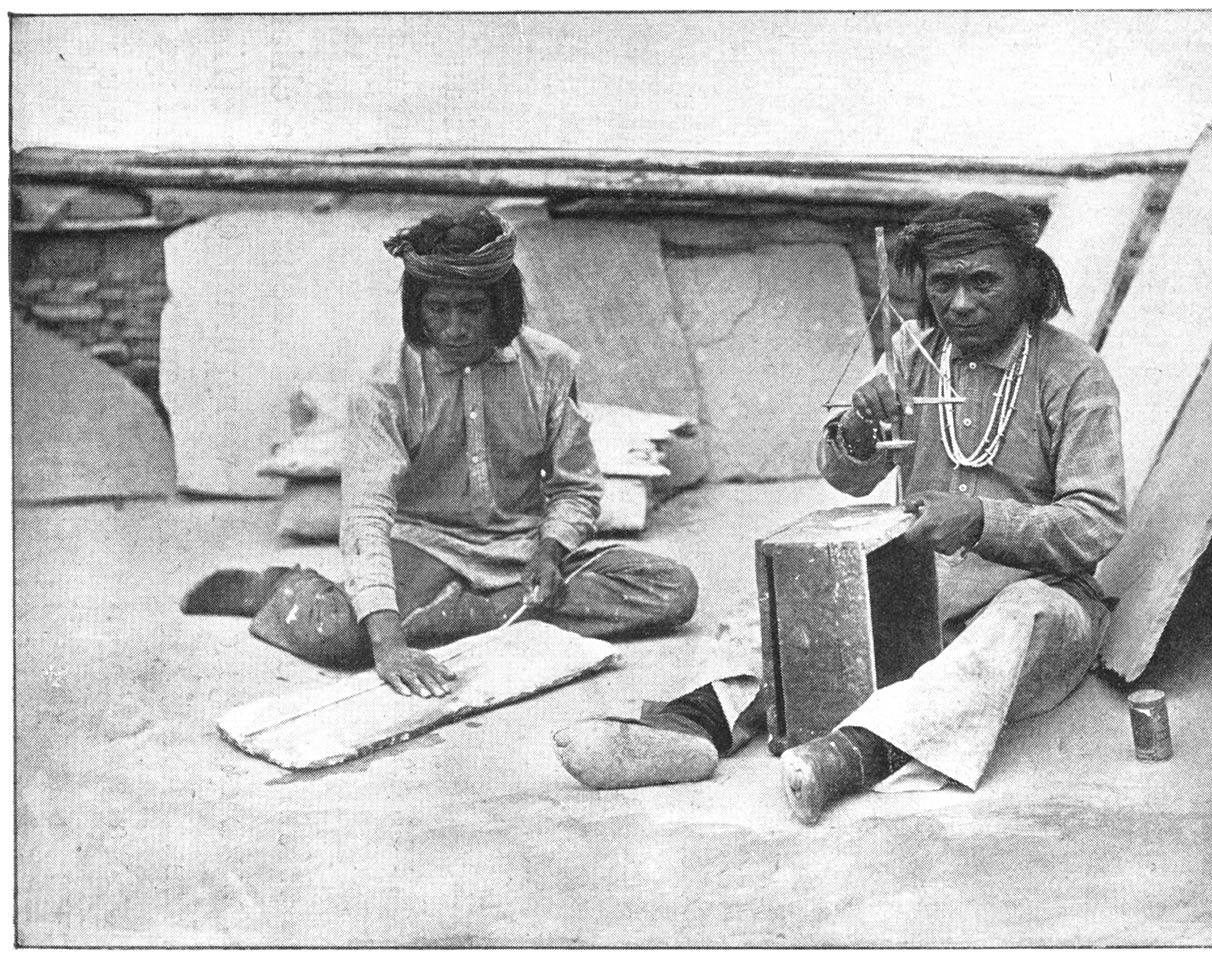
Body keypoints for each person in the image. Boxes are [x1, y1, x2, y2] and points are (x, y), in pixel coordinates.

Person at [552, 192, 1126, 824]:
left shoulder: (1074, 373)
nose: (960, 303)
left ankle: (853, 754)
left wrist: (982, 520)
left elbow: (1096, 522)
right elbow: (848, 478)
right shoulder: (913, 352)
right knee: (781, 602)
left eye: (983, 282)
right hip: (924, 586)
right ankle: (696, 724)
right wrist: (857, 430)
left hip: (1041, 593)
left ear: (1027, 277)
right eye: (943, 283)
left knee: (1017, 623)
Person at [184, 207, 699, 697]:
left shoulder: (550, 366)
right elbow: (365, 514)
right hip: (426, 547)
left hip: (523, 548)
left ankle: (458, 616)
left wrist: (551, 550)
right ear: (417, 309)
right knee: (344, 640)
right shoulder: (384, 389)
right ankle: (279, 589)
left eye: (472, 309)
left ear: (501, 306)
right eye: (438, 309)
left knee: (670, 589)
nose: (454, 329)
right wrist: (388, 644)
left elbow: (575, 486)